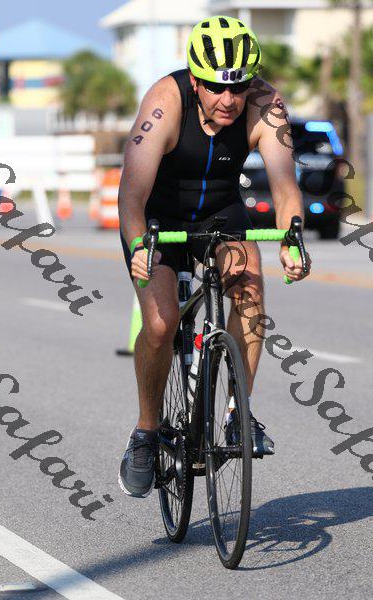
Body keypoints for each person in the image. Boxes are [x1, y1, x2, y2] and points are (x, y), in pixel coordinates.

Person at [118, 15, 312, 498]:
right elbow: (131, 194)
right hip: (159, 217)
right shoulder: (164, 102)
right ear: (195, 80)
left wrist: (292, 238)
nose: (229, 99)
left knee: (249, 289)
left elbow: (285, 187)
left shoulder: (266, 105)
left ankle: (236, 412)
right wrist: (140, 245)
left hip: (220, 212)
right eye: (216, 87)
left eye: (239, 87)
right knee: (160, 324)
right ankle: (145, 432)